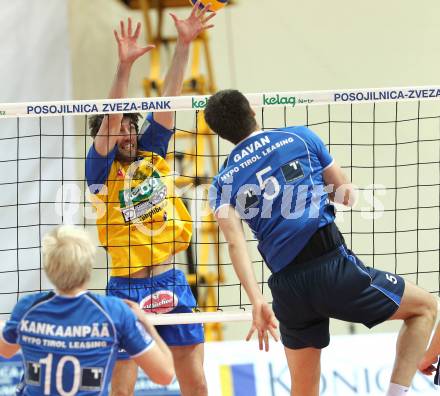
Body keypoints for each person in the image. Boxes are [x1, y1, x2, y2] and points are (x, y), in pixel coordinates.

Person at [205, 89, 438, 396]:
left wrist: (256, 299)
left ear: (221, 133)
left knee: (303, 390)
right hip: (331, 268)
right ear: (252, 111)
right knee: (425, 308)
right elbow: (347, 196)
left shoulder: (221, 182)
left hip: (287, 289)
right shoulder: (299, 138)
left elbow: (236, 244)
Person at [85, 3, 215, 395]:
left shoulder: (152, 152)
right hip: (127, 291)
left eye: (131, 126)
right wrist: (124, 68)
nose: (126, 132)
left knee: (196, 383)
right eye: (119, 127)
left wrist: (184, 44)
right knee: (122, 389)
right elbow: (109, 119)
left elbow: (169, 99)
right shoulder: (100, 173)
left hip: (171, 281)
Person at [0, 226, 174, 395]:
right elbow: (165, 375)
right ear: (88, 265)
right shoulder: (115, 312)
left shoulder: (27, 308)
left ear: (48, 267)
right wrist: (145, 323)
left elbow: (5, 350)